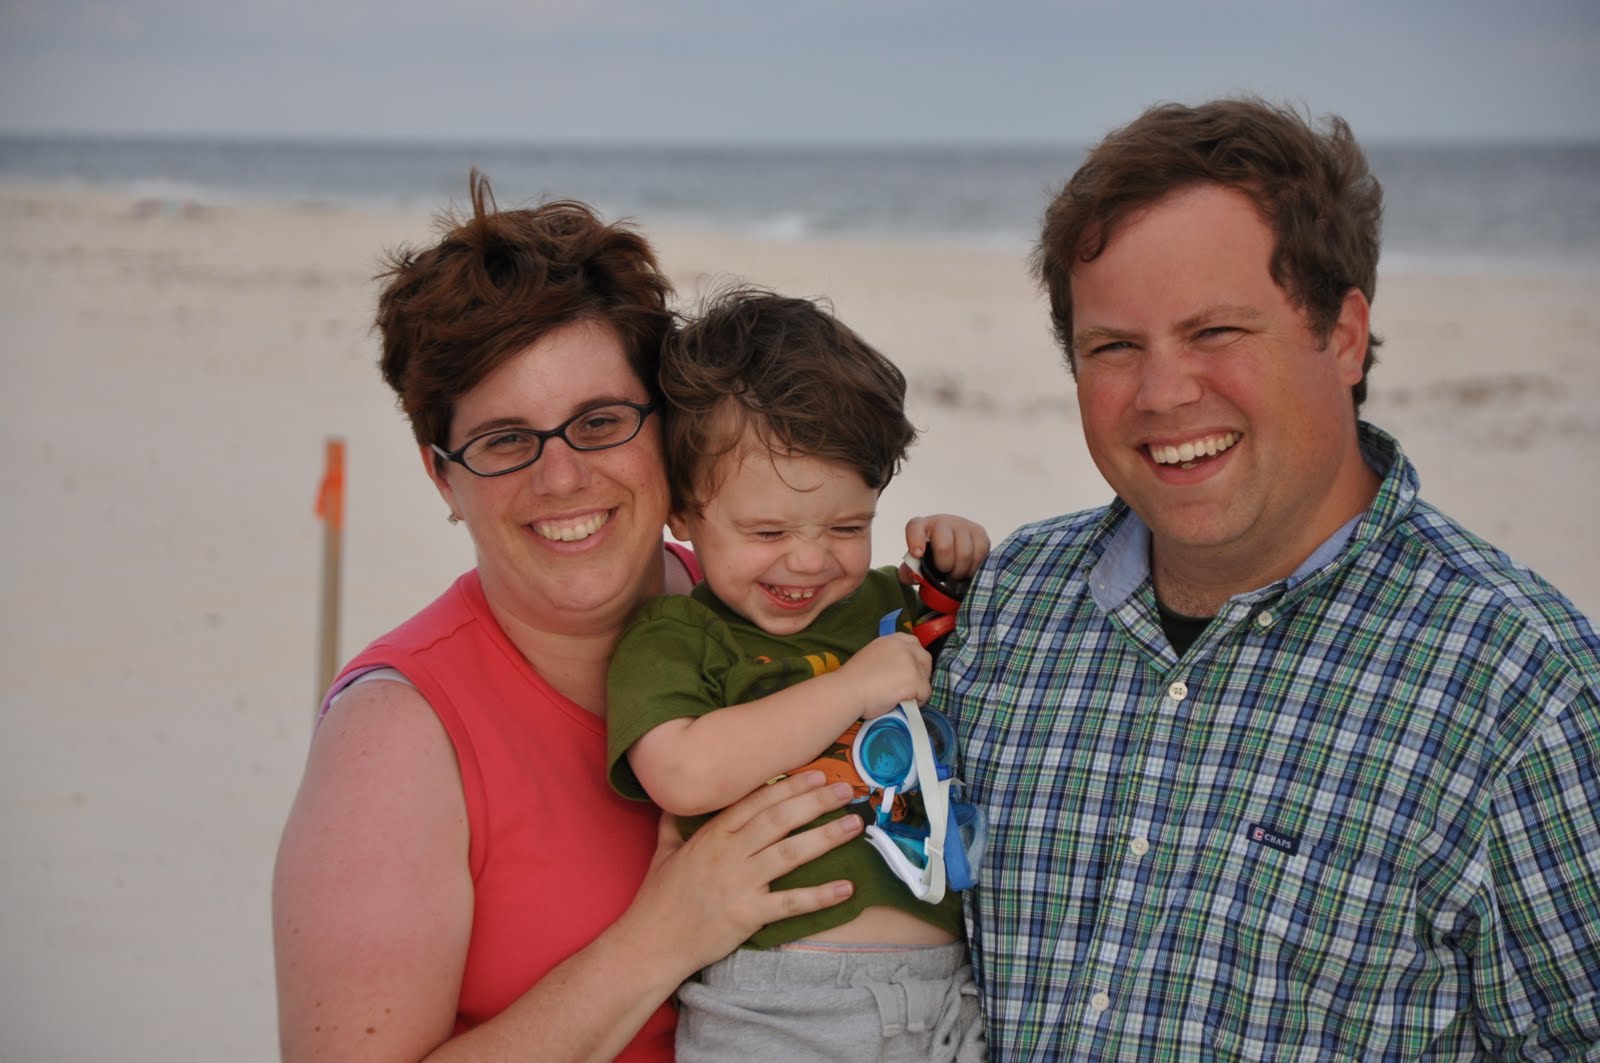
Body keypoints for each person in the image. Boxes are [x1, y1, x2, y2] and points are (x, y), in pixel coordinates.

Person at [935, 98, 1600, 1059]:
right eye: (1115, 346)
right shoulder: (1009, 606)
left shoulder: (1522, 689)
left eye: (1215, 331)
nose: (1164, 393)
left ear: (1344, 335)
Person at [271, 178, 869, 1062]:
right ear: (443, 477)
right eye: (506, 440)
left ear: (667, 430)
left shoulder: (782, 599)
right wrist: (660, 937)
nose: (561, 479)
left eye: (599, 421)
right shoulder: (394, 737)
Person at [605, 288, 990, 1061]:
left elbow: (972, 664)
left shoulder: (885, 603)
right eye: (768, 530)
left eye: (848, 526)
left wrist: (958, 568)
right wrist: (848, 690)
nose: (810, 559)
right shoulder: (681, 635)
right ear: (683, 513)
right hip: (778, 999)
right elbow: (682, 771)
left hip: (949, 990)